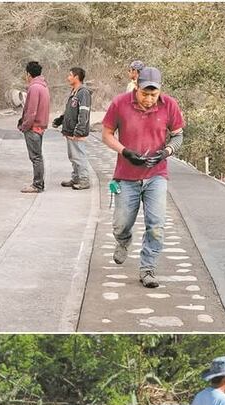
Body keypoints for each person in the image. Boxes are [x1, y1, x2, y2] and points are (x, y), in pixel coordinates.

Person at [100, 66, 185, 289]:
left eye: (153, 94)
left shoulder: (170, 106)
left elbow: (178, 136)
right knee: (121, 223)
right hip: (126, 176)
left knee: (156, 224)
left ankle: (148, 268)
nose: (149, 99)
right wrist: (125, 151)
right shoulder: (120, 103)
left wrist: (166, 152)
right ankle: (123, 240)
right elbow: (107, 134)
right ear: (136, 87)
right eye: (144, 93)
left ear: (160, 91)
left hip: (156, 174)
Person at [52, 66, 93, 190]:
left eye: (70, 75)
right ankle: (76, 177)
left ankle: (84, 179)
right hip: (70, 130)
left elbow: (83, 113)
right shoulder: (74, 92)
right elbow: (70, 111)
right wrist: (60, 120)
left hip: (77, 132)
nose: (68, 77)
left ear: (76, 77)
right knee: (73, 156)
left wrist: (79, 130)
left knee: (79, 155)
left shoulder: (83, 93)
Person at [18, 61, 50, 194]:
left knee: (36, 157)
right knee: (38, 156)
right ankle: (39, 183)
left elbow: (31, 111)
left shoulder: (34, 88)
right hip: (40, 127)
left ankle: (37, 185)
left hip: (33, 127)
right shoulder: (43, 86)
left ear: (28, 74)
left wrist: (24, 126)